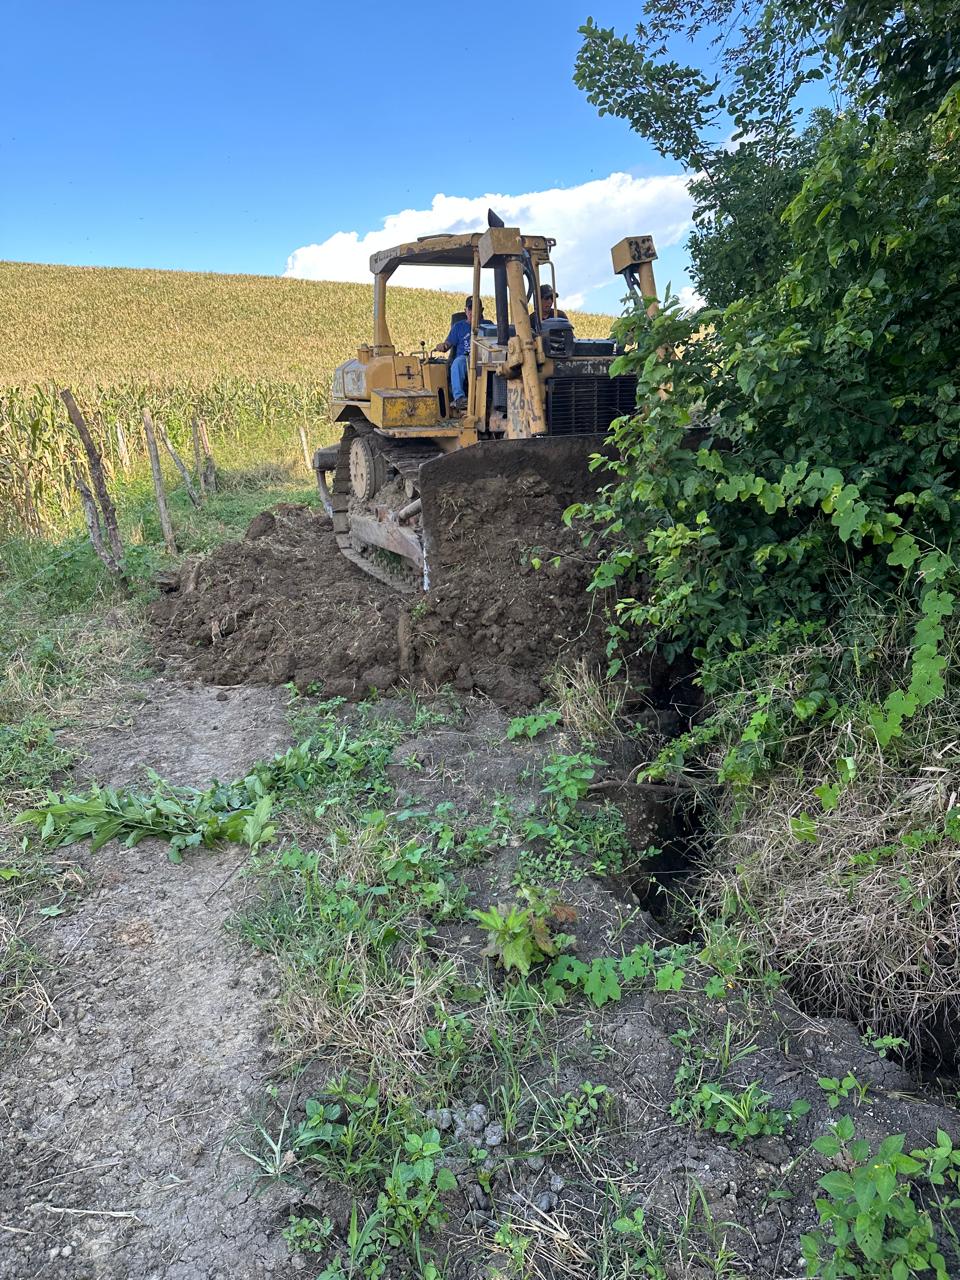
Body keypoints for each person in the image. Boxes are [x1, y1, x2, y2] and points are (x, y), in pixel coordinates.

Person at [434, 296, 482, 409]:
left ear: (481, 310)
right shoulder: (458, 327)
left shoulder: (488, 326)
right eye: (470, 309)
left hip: (484, 358)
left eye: (476, 308)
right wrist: (443, 346)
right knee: (457, 363)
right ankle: (459, 398)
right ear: (465, 311)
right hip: (465, 359)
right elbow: (448, 344)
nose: (473, 312)